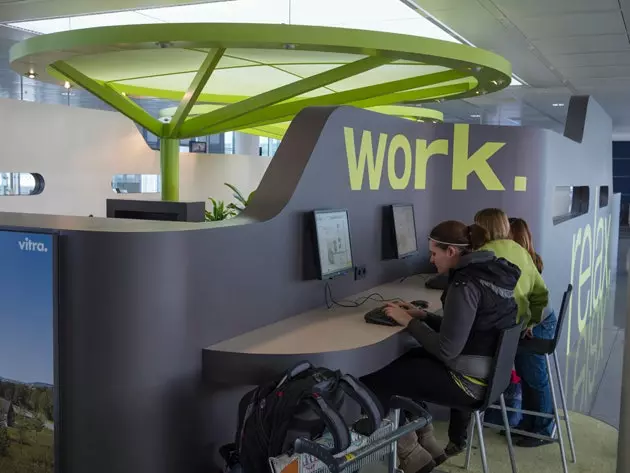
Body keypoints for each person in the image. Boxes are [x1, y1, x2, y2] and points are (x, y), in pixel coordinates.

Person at [360, 220, 520, 473]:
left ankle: (413, 457)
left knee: (375, 382)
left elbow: (447, 349)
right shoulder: (490, 272)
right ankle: (427, 443)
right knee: (408, 360)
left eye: (434, 253)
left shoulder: (465, 284)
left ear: (452, 252)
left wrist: (408, 321)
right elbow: (468, 326)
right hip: (489, 374)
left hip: (469, 382)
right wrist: (423, 317)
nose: (432, 260)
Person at [509, 217, 558, 447]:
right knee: (528, 375)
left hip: (539, 324)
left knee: (535, 378)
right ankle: (530, 423)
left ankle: (542, 430)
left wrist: (530, 325)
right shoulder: (528, 258)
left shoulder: (520, 263)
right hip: (538, 321)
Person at [474, 208, 549, 330]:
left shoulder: (480, 255)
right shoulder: (521, 251)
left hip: (492, 335)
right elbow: (541, 294)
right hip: (518, 330)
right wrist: (530, 324)